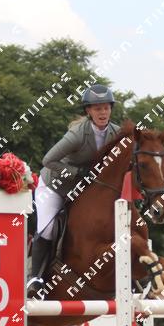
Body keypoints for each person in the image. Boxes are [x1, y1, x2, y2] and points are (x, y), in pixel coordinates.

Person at [27, 84, 120, 296]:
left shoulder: (115, 133)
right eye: (97, 108)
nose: (103, 113)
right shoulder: (78, 134)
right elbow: (48, 160)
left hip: (84, 189)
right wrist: (77, 172)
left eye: (106, 108)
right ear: (89, 111)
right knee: (48, 227)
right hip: (55, 186)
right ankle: (35, 278)